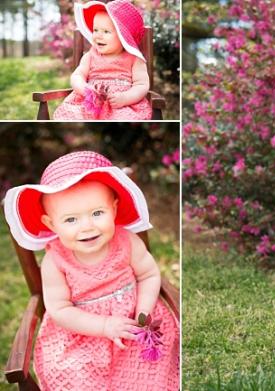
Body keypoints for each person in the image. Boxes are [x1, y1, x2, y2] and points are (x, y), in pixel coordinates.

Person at [3, 151, 179, 390]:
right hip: (81, 335)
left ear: (114, 210)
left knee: (151, 368)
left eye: (97, 213)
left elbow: (148, 275)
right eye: (71, 220)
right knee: (73, 374)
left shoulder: (127, 241)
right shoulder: (54, 262)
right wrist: (104, 326)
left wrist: (144, 311)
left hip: (132, 325)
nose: (87, 226)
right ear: (50, 224)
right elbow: (59, 309)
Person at [53, 0, 152, 120]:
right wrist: (85, 90)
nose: (98, 35)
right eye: (95, 30)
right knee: (73, 115)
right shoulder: (90, 56)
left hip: (120, 105)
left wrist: (125, 98)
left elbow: (142, 85)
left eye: (106, 31)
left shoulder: (134, 59)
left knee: (125, 118)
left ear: (123, 37)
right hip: (89, 103)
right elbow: (77, 76)